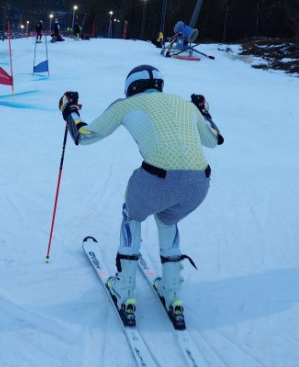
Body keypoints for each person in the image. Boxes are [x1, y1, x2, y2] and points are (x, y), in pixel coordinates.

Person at [58, 65, 224, 326]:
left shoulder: (126, 104)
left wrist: (70, 111)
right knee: (168, 220)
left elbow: (84, 136)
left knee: (132, 214)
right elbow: (214, 140)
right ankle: (172, 293)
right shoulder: (185, 105)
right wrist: (203, 111)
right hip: (199, 183)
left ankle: (125, 290)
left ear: (130, 87)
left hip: (156, 179)